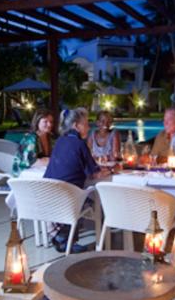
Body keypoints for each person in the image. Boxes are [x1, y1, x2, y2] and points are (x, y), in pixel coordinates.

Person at [44, 107, 109, 253]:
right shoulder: (80, 144)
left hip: (48, 194)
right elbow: (95, 174)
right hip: (67, 198)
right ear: (76, 126)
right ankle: (68, 240)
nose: (88, 127)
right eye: (85, 124)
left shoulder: (60, 141)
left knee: (76, 193)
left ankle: (61, 235)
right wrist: (112, 169)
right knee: (91, 201)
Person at [12, 109, 55, 176]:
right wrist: (52, 161)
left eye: (51, 122)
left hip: (40, 170)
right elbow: (32, 162)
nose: (49, 125)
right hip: (24, 174)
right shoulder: (30, 138)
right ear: (37, 122)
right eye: (45, 122)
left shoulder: (50, 137)